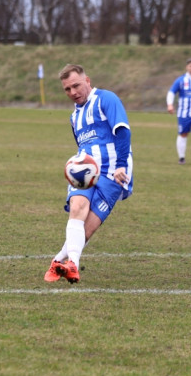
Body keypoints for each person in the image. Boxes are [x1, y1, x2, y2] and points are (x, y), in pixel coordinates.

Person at [43, 64, 134, 283]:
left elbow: (122, 130)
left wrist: (121, 164)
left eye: (76, 85)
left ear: (88, 81)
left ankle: (59, 261)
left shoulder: (106, 99)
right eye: (67, 89)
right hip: (84, 171)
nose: (73, 92)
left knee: (88, 228)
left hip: (114, 172)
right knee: (77, 208)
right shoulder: (74, 118)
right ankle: (72, 265)